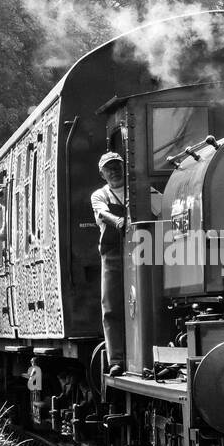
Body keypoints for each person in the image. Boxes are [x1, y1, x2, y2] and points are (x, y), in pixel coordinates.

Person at [91, 151, 127, 376]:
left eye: (116, 166)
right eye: (109, 168)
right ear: (102, 173)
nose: (114, 171)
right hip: (113, 254)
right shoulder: (100, 195)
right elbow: (102, 214)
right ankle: (117, 359)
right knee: (111, 307)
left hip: (141, 252)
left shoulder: (139, 190)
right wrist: (119, 221)